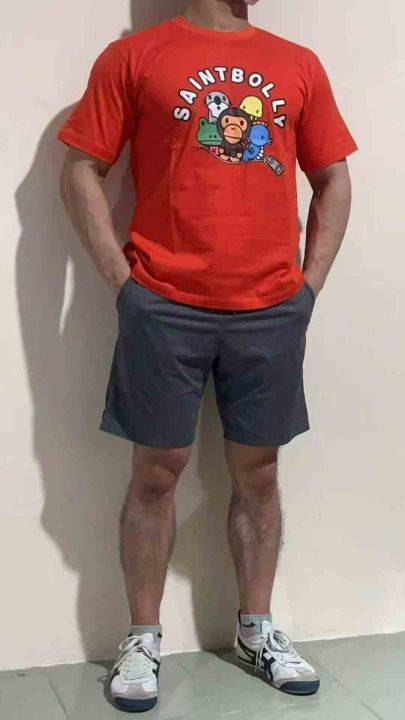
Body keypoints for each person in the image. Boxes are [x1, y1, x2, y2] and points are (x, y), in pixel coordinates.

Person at [57, 0, 357, 712]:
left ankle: (255, 630)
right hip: (162, 304)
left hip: (271, 309)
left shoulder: (298, 64)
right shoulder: (133, 57)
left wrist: (308, 287)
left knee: (260, 473)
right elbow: (81, 168)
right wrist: (123, 285)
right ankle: (142, 638)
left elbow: (333, 177)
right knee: (154, 473)